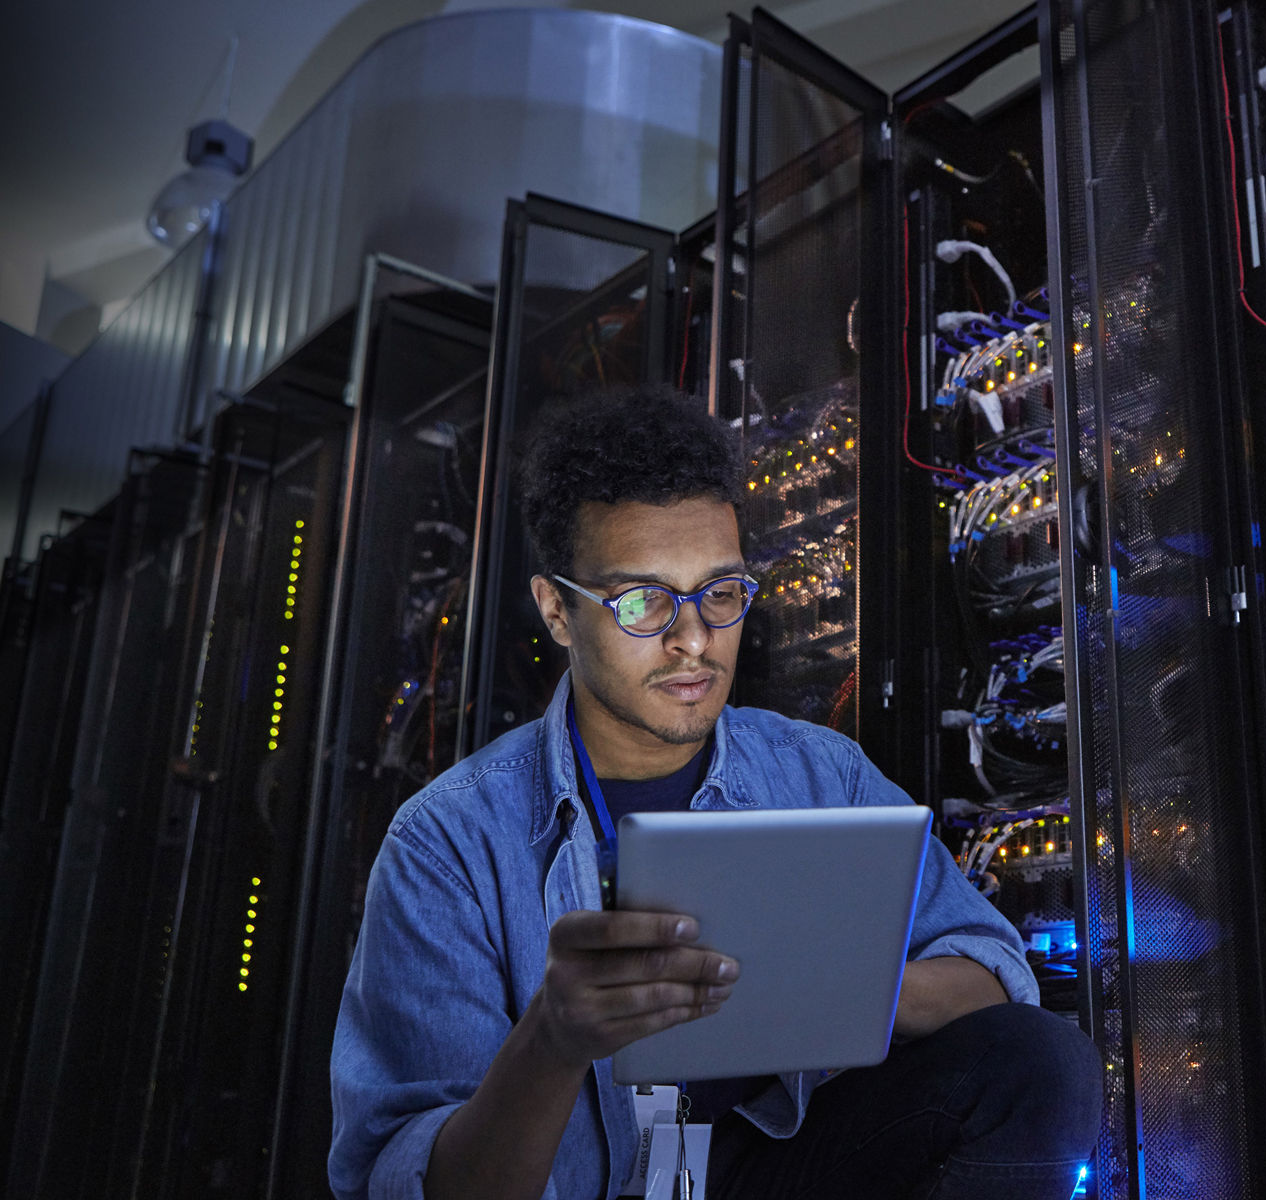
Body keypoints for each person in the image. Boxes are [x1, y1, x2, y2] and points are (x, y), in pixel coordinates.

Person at [329, 385, 1103, 1200]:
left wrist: (828, 985)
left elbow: (987, 970)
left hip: (768, 1171)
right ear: (558, 611)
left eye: (721, 594)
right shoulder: (449, 843)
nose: (694, 640)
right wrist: (553, 1042)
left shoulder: (818, 776)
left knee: (1039, 1062)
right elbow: (415, 1183)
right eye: (643, 602)